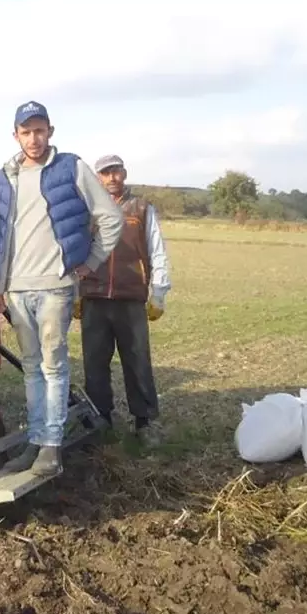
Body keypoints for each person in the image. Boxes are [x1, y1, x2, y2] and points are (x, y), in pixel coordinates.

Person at [0, 100, 124, 477]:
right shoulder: (5, 176)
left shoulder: (72, 168)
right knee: (31, 368)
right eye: (26, 131)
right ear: (15, 135)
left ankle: (51, 447)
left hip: (54, 287)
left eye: (39, 130)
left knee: (53, 366)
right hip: (16, 289)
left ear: (50, 131)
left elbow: (111, 219)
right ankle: (35, 442)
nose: (34, 138)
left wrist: (89, 263)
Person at [79, 154, 172, 446]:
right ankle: (100, 418)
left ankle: (145, 421)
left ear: (124, 173)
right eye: (105, 173)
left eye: (116, 172)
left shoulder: (142, 209)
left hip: (130, 297)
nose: (111, 178)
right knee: (94, 363)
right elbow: (75, 253)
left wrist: (158, 292)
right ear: (97, 178)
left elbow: (157, 251)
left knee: (137, 360)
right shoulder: (88, 211)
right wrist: (73, 294)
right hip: (94, 297)